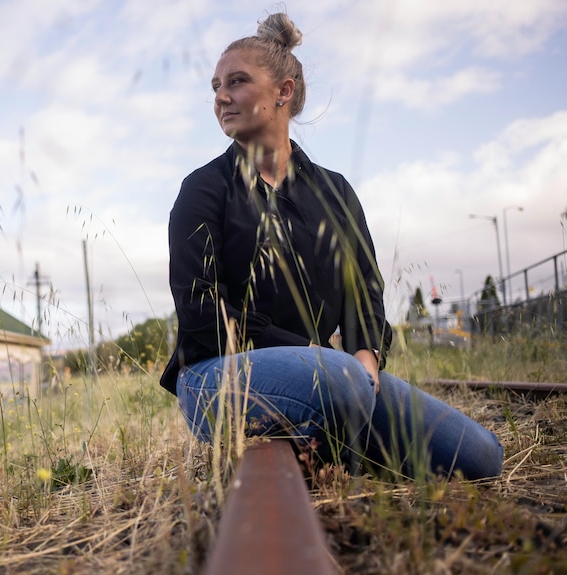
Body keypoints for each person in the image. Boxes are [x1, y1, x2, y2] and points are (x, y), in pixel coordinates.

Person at [159, 12, 503, 480]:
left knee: (481, 457)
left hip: (340, 374)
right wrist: (323, 354)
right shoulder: (203, 189)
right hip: (215, 379)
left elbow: (364, 286)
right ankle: (333, 448)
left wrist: (365, 354)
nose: (220, 97)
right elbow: (202, 314)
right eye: (216, 85)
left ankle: (333, 435)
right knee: (343, 382)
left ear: (283, 90)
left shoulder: (335, 191)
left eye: (237, 82)